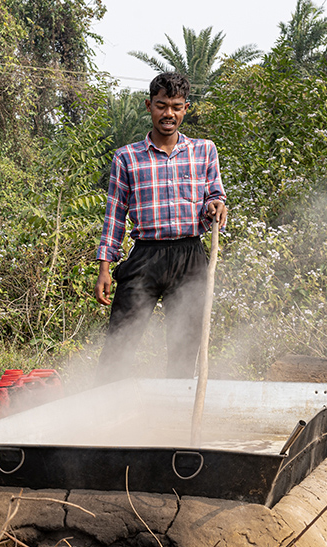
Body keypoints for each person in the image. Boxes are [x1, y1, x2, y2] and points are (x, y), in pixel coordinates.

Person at [94, 72, 228, 381]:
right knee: (120, 341)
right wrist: (104, 267)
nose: (169, 114)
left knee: (185, 348)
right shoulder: (127, 157)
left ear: (186, 109)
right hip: (146, 256)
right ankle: (102, 415)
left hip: (190, 255)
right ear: (149, 106)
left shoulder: (204, 150)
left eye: (176, 107)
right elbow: (115, 214)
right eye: (161, 105)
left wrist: (216, 206)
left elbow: (215, 195)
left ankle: (173, 420)